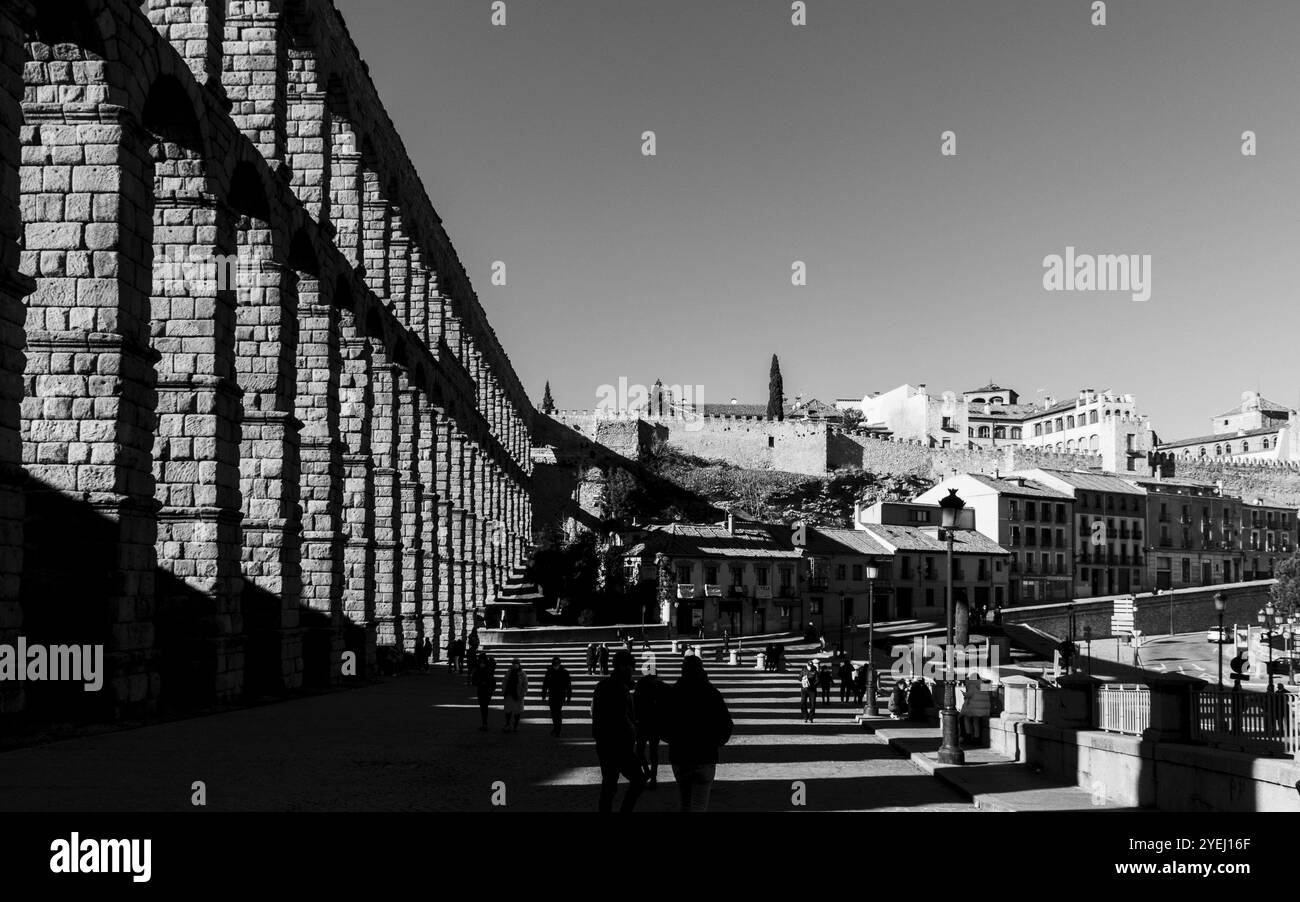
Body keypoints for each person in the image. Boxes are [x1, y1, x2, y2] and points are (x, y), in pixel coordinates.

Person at [663, 656, 734, 812]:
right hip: (705, 756)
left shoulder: (674, 693)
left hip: (680, 755)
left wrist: (675, 740)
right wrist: (714, 743)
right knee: (699, 806)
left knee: (685, 804)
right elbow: (726, 725)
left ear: (683, 671)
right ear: (701, 670)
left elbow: (663, 726)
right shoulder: (712, 693)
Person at [591, 650, 647, 813]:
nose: (633, 671)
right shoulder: (617, 688)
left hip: (604, 744)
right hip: (618, 745)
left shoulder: (604, 686)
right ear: (623, 667)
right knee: (638, 780)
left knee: (609, 786)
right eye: (631, 668)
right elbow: (622, 719)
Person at [633, 661, 668, 788]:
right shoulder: (661, 686)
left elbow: (634, 703)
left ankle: (647, 772)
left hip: (642, 723)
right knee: (654, 752)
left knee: (640, 751)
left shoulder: (641, 685)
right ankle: (653, 778)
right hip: (656, 724)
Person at [541, 656, 572, 736]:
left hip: (560, 695)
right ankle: (556, 728)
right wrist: (543, 696)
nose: (556, 665)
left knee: (557, 712)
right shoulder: (549, 672)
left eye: (557, 664)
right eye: (555, 664)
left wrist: (569, 697)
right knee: (554, 713)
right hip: (552, 694)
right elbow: (545, 684)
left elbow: (568, 686)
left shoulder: (564, 672)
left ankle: (557, 729)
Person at [501, 657, 528, 733]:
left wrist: (523, 693)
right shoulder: (509, 672)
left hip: (518, 695)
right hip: (509, 694)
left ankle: (516, 725)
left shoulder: (522, 673)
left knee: (517, 711)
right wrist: (504, 691)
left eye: (517, 664)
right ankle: (507, 725)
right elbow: (504, 682)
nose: (515, 665)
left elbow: (525, 684)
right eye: (514, 664)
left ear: (519, 665)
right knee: (508, 710)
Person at [471, 652, 497, 730]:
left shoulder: (489, 668)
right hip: (482, 689)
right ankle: (484, 723)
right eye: (481, 662)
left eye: (483, 662)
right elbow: (474, 680)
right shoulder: (479, 669)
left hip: (488, 689)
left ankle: (484, 723)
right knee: (483, 706)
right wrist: (480, 682)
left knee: (484, 705)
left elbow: (493, 665)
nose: (482, 663)